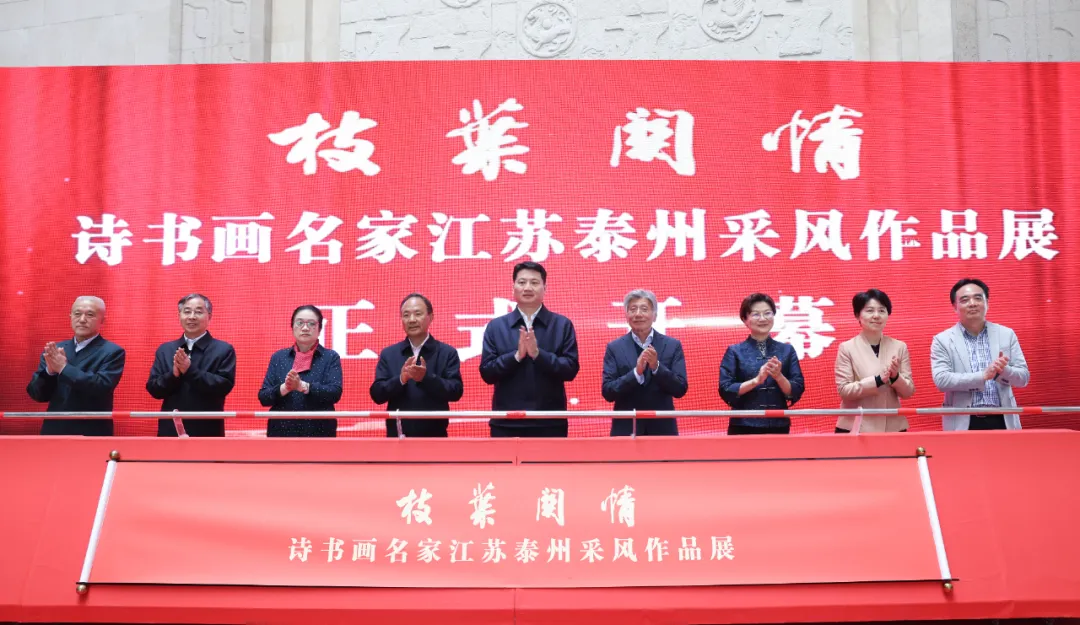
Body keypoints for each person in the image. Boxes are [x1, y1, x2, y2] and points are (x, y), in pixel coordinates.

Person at [480, 261, 579, 437]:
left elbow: (570, 370)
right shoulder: (496, 327)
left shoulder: (562, 325)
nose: (527, 287)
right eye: (522, 282)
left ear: (544, 288)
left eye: (534, 282)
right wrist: (516, 356)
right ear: (513, 287)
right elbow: (487, 373)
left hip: (550, 423)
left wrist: (538, 355)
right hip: (506, 423)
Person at [931, 278, 1029, 431]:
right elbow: (942, 380)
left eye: (978, 298)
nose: (972, 303)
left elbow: (1023, 378)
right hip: (963, 422)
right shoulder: (942, 340)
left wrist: (1004, 371)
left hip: (1003, 419)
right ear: (955, 307)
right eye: (965, 300)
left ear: (987, 302)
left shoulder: (1006, 334)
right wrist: (982, 376)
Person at [26, 296, 125, 436]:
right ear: (70, 317)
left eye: (90, 314)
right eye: (77, 314)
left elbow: (101, 387)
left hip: (92, 431)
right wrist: (49, 372)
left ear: (102, 320)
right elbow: (37, 395)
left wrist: (64, 368)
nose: (82, 319)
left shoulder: (112, 351)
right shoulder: (55, 350)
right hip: (54, 430)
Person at [370, 293, 463, 437]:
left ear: (431, 317)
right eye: (406, 315)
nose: (412, 320)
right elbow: (377, 394)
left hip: (435, 438)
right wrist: (401, 379)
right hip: (397, 438)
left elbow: (455, 391)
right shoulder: (389, 354)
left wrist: (426, 378)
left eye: (418, 314)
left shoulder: (446, 352)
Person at [146, 294, 236, 437]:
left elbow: (223, 387)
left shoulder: (223, 349)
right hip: (170, 430)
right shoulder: (166, 349)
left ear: (209, 316)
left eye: (198, 312)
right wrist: (173, 375)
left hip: (207, 431)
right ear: (179, 316)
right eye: (187, 311)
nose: (192, 317)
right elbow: (154, 389)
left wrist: (190, 370)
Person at [602, 289, 688, 436]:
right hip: (626, 431)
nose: (638, 314)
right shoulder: (614, 348)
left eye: (644, 309)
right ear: (626, 315)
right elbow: (608, 392)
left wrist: (657, 367)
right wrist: (636, 374)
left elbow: (680, 388)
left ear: (654, 316)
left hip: (663, 431)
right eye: (633, 309)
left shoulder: (672, 345)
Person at [719, 293, 804, 435]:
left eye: (767, 313)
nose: (763, 318)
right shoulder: (734, 351)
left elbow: (797, 388)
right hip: (743, 425)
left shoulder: (787, 350)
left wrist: (779, 377)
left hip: (778, 425)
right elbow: (725, 388)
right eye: (756, 314)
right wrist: (756, 381)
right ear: (745, 319)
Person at [834, 289, 915, 433]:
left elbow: (908, 392)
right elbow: (844, 391)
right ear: (858, 315)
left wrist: (895, 377)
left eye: (882, 310)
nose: (876, 316)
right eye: (870, 310)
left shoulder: (899, 346)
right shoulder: (847, 348)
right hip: (856, 427)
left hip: (892, 427)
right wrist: (877, 380)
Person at [258, 305, 343, 437]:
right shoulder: (279, 357)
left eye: (311, 324)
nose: (305, 328)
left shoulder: (330, 357)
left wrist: (303, 386)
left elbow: (334, 393)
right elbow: (264, 397)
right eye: (299, 323)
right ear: (292, 327)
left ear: (320, 329)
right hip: (281, 432)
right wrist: (285, 388)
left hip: (319, 432)